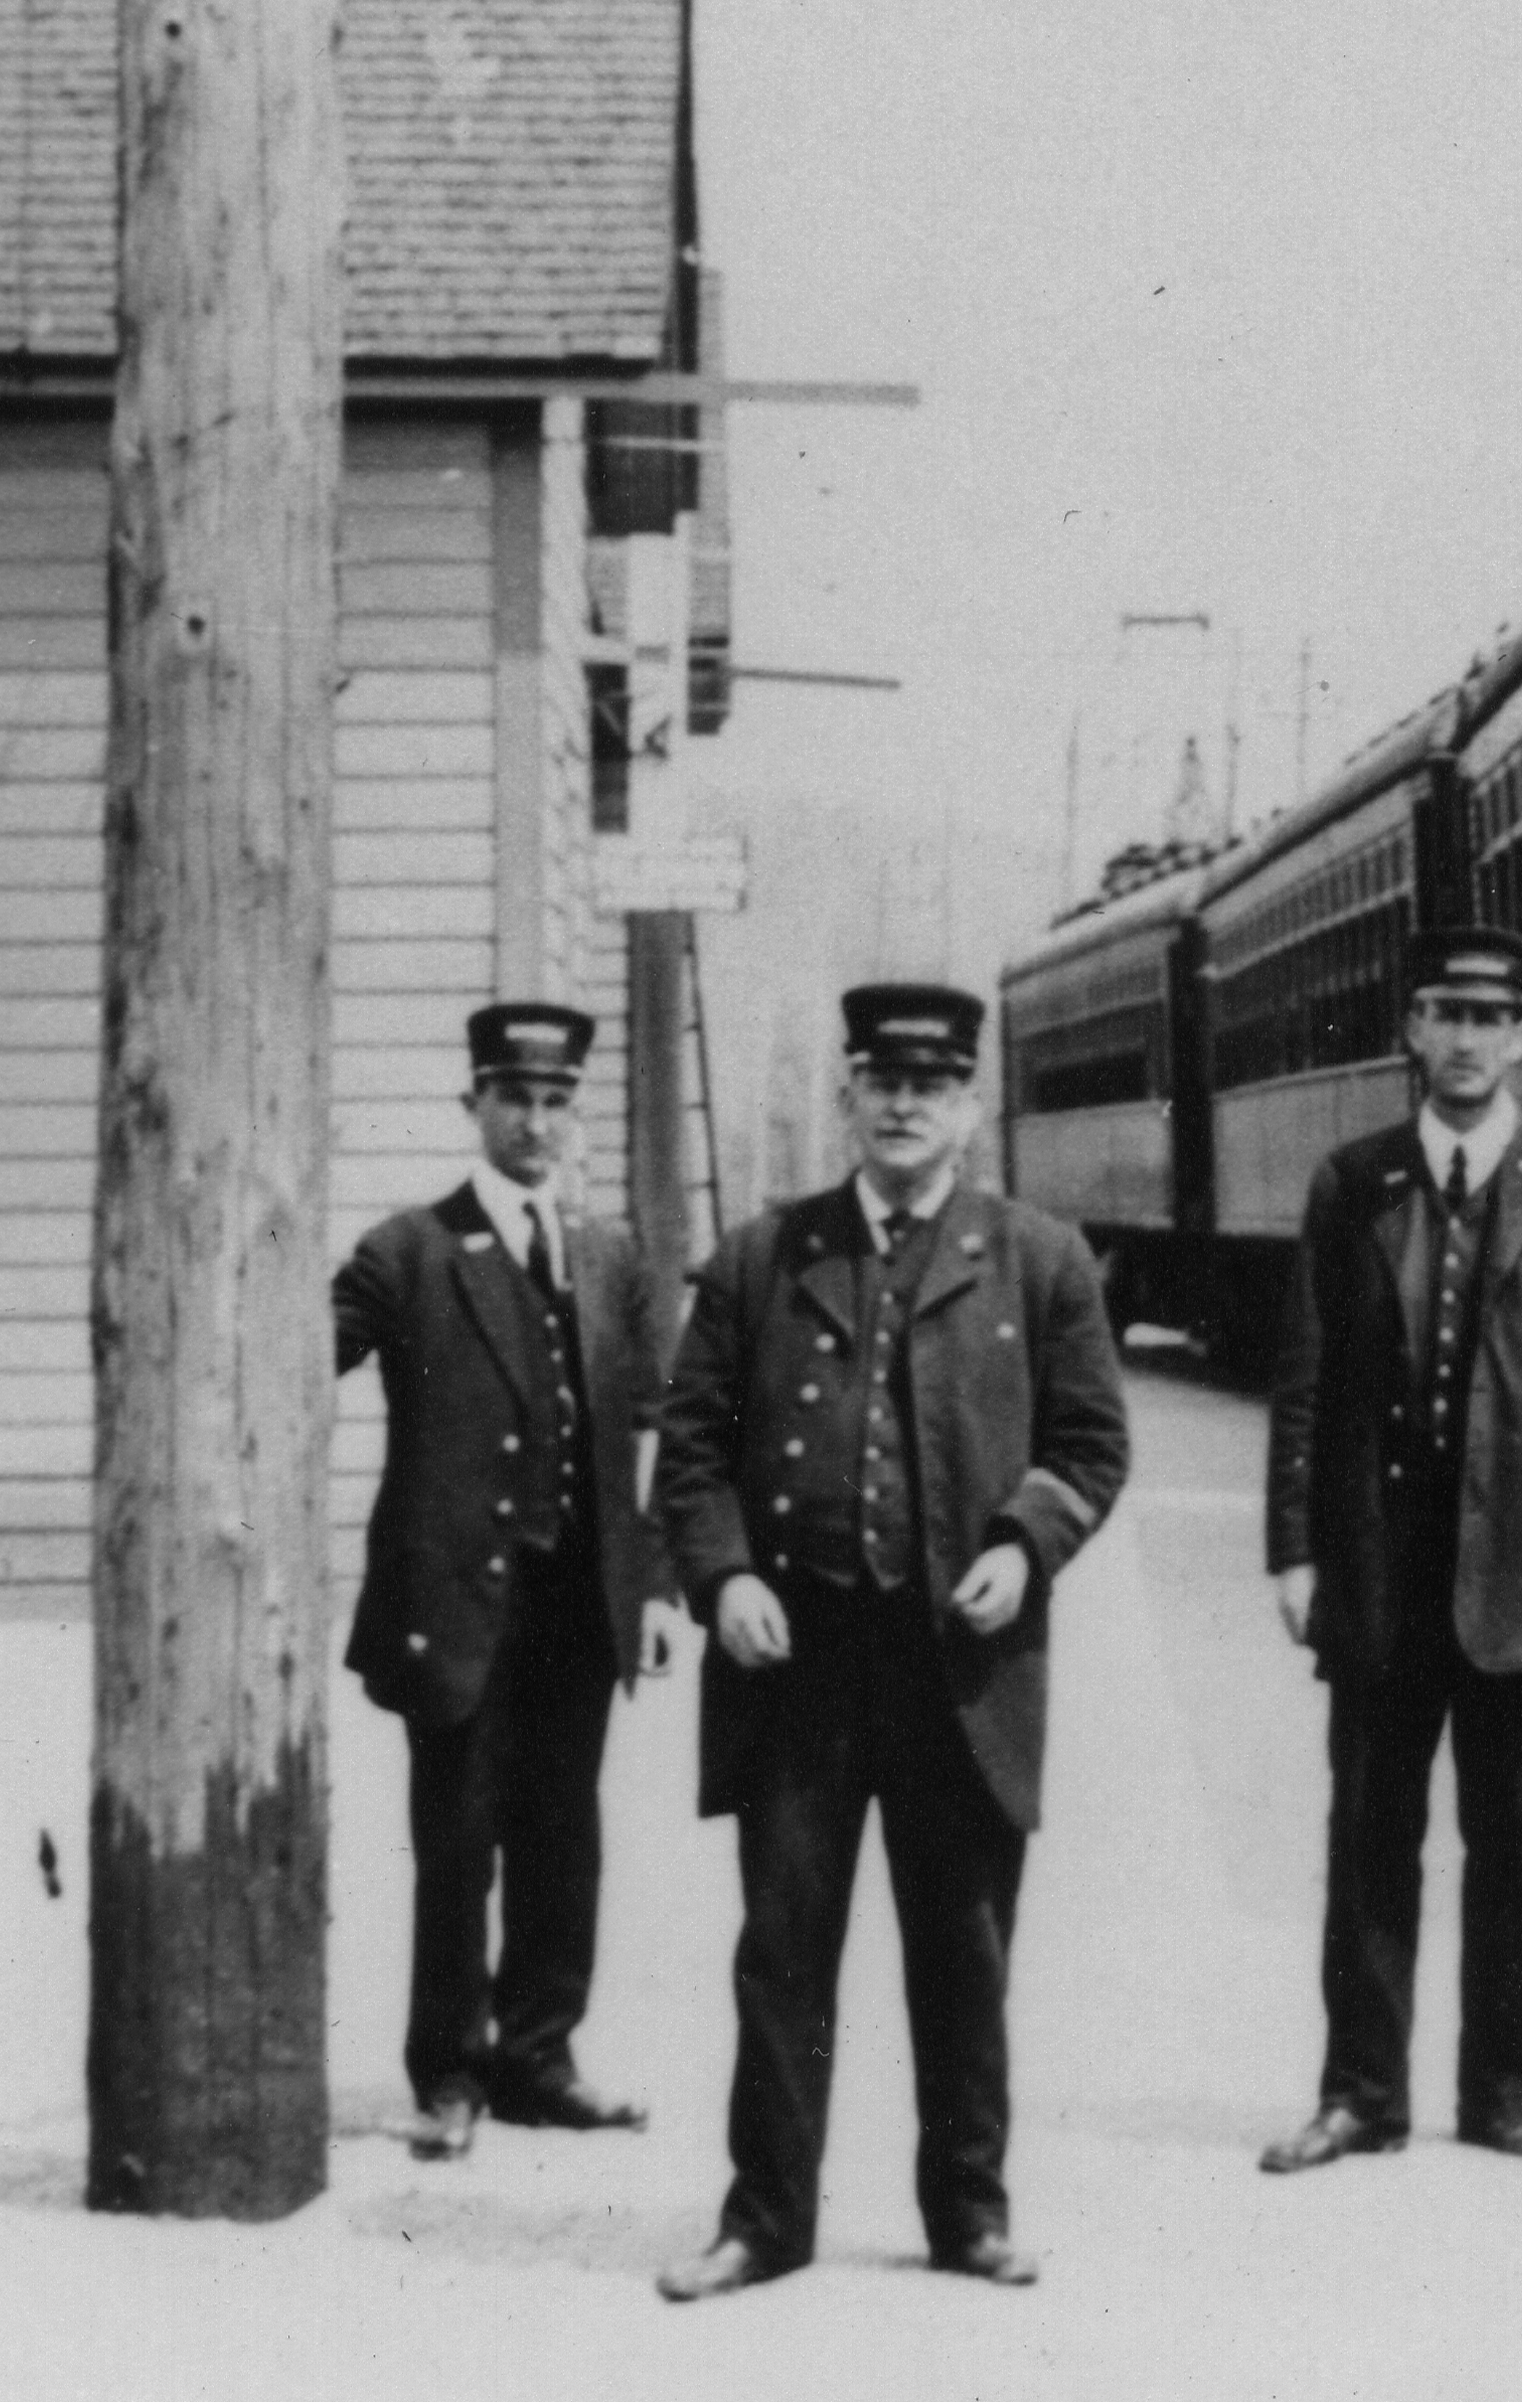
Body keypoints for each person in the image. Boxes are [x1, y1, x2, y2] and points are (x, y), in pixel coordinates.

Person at [648, 983, 1132, 2301]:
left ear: (971, 1105)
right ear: (849, 1097)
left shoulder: (1039, 1258)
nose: (906, 1106)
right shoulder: (762, 1257)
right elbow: (690, 1449)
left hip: (957, 1670)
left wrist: (1021, 1544)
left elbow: (1093, 1444)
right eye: (884, 1083)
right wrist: (722, 1575)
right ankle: (765, 2221)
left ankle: (969, 2212)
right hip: (797, 1663)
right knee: (782, 1950)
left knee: (963, 1952)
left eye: (932, 1086)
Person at [1258, 924, 1522, 2174]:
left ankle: (1498, 2093)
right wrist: (1294, 1550)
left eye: (1492, 1016)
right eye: (1446, 1013)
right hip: (1382, 1562)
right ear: (1412, 1031)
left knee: (1510, 1840)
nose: (1468, 1038)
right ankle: (1360, 2095)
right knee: (1370, 1837)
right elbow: (1306, 1381)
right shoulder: (1352, 1182)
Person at [332, 999, 677, 2164]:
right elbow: (300, 1345)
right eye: (514, 1098)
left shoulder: (612, 1254)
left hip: (579, 1597)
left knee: (562, 1833)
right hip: (458, 1601)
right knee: (457, 1839)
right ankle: (449, 2074)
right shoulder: (407, 1252)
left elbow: (652, 1423)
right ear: (473, 1104)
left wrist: (654, 1582)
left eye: (556, 1100)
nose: (536, 1121)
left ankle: (540, 2058)